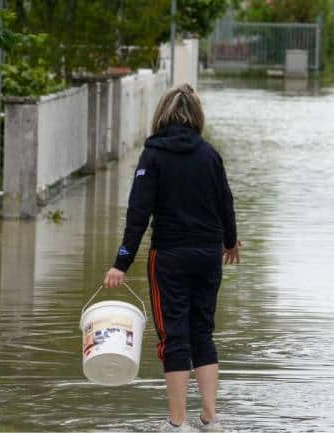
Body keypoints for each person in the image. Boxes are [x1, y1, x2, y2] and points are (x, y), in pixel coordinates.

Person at [103, 83, 240, 431]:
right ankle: (210, 418)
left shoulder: (153, 155)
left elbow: (138, 213)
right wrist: (231, 242)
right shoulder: (210, 154)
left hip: (170, 256)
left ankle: (177, 423)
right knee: (203, 333)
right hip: (209, 254)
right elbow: (226, 201)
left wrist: (122, 263)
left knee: (174, 337)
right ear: (197, 117)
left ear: (161, 114)